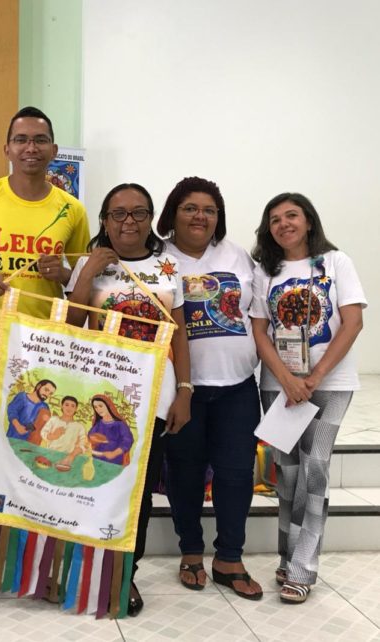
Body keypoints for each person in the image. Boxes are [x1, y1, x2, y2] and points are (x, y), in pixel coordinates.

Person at [0, 106, 89, 609]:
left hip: (49, 350)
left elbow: (79, 280)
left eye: (40, 140)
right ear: (7, 148)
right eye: (21, 139)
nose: (30, 148)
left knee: (43, 458)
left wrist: (62, 274)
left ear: (54, 149)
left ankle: (39, 570)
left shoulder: (71, 209)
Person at [65, 182, 191, 616]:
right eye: (118, 214)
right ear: (104, 220)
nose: (128, 222)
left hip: (155, 393)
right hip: (99, 397)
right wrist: (88, 271)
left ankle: (124, 574)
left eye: (139, 213)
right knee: (95, 483)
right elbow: (72, 324)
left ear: (151, 219)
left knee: (138, 491)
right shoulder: (87, 263)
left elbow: (180, 333)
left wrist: (185, 390)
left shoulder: (167, 266)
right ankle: (87, 568)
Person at [250, 193, 366, 604]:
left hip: (330, 384)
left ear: (309, 221)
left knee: (315, 469)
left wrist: (313, 378)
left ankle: (303, 568)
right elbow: (259, 331)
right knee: (288, 473)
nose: (284, 224)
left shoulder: (336, 262)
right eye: (275, 219)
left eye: (292, 215)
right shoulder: (265, 271)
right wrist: (287, 379)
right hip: (279, 385)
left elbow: (352, 323)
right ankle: (287, 556)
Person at [155, 177, 263, 599]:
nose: (200, 216)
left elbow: (257, 318)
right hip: (183, 391)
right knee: (185, 472)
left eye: (209, 210)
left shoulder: (238, 256)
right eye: (190, 208)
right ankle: (191, 551)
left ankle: (229, 557)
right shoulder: (159, 257)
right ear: (173, 213)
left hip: (237, 388)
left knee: (236, 473)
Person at [87, 394, 133, 466]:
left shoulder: (120, 424)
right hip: (96, 459)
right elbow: (90, 437)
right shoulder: (98, 424)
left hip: (114, 462)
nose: (98, 409)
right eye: (95, 407)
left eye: (100, 406)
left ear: (108, 406)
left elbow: (127, 441)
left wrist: (114, 453)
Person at [41, 395, 87, 463]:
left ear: (76, 409)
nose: (69, 408)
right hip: (49, 455)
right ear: (62, 406)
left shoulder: (80, 427)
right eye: (67, 405)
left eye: (72, 406)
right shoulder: (54, 420)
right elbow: (43, 433)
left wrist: (71, 456)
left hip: (67, 459)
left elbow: (83, 445)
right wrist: (53, 435)